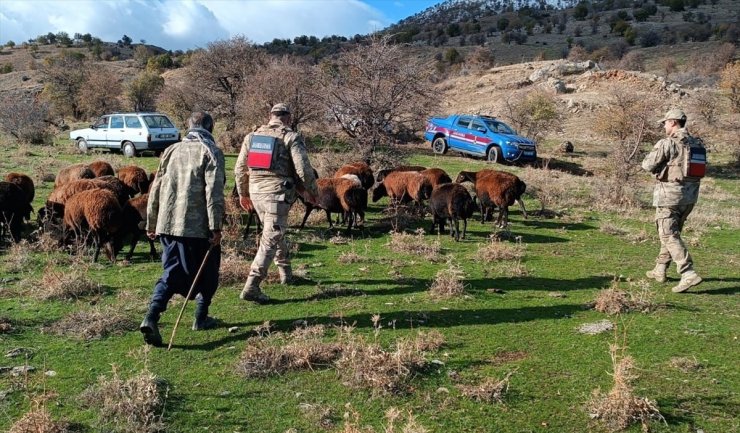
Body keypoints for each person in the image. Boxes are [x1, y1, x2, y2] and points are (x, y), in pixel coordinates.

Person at [140, 111, 226, 346]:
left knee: (175, 271)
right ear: (211, 127)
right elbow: (214, 192)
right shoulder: (211, 152)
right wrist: (216, 226)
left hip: (167, 224)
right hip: (197, 227)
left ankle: (166, 315)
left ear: (188, 126)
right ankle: (189, 316)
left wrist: (152, 221)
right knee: (202, 272)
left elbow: (155, 186)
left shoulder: (171, 150)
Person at [234, 103, 318, 303]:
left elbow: (239, 168)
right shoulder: (291, 137)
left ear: (270, 116)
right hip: (277, 194)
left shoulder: (251, 137)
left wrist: (243, 194)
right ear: (288, 118)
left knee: (275, 232)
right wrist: (313, 192)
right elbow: (303, 170)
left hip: (256, 193)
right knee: (270, 238)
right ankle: (252, 285)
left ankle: (286, 274)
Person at [641, 108, 704, 293]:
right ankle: (660, 268)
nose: (664, 126)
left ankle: (688, 273)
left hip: (670, 196)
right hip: (690, 197)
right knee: (671, 234)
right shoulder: (696, 143)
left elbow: (648, 165)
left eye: (665, 122)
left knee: (668, 234)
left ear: (673, 122)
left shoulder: (667, 143)